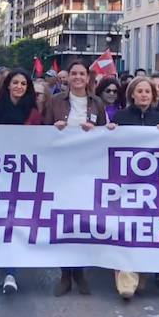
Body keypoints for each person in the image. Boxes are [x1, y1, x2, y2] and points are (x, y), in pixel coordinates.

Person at [44, 61, 106, 296]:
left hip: (87, 169)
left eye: (82, 74)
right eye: (74, 73)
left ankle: (80, 272)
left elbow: (104, 135)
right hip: (61, 169)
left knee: (83, 221)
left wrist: (100, 130)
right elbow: (43, 130)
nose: (78, 77)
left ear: (87, 77)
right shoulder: (56, 100)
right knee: (63, 220)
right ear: (67, 77)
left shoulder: (97, 102)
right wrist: (54, 127)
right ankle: (65, 274)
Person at [0, 69, 41, 295]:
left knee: (15, 221)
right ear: (8, 85)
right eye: (15, 83)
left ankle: (11, 272)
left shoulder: (33, 111)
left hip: (22, 172)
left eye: (23, 83)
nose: (19, 87)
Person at [106, 77, 159, 301]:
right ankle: (125, 279)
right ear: (132, 94)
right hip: (127, 183)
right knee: (125, 226)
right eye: (139, 91)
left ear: (153, 96)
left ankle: (141, 273)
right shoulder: (121, 117)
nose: (144, 94)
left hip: (153, 183)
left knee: (147, 228)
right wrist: (110, 131)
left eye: (148, 91)